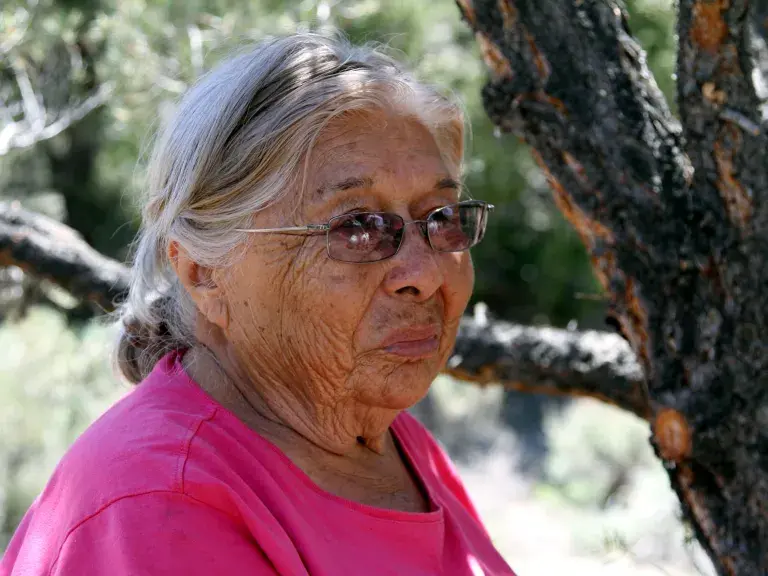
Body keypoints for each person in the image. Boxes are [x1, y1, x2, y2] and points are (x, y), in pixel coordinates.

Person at [1, 33, 514, 575]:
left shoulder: (388, 439)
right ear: (204, 273)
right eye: (357, 225)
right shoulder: (159, 508)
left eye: (441, 216)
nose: (426, 274)